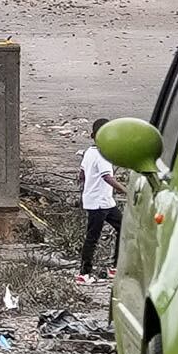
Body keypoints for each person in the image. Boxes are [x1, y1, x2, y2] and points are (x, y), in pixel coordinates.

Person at [77, 119, 123, 279]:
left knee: (122, 227)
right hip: (99, 204)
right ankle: (84, 273)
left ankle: (115, 267)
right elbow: (107, 177)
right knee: (92, 237)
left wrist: (86, 183)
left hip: (104, 201)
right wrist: (125, 190)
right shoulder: (103, 155)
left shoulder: (89, 152)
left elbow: (82, 173)